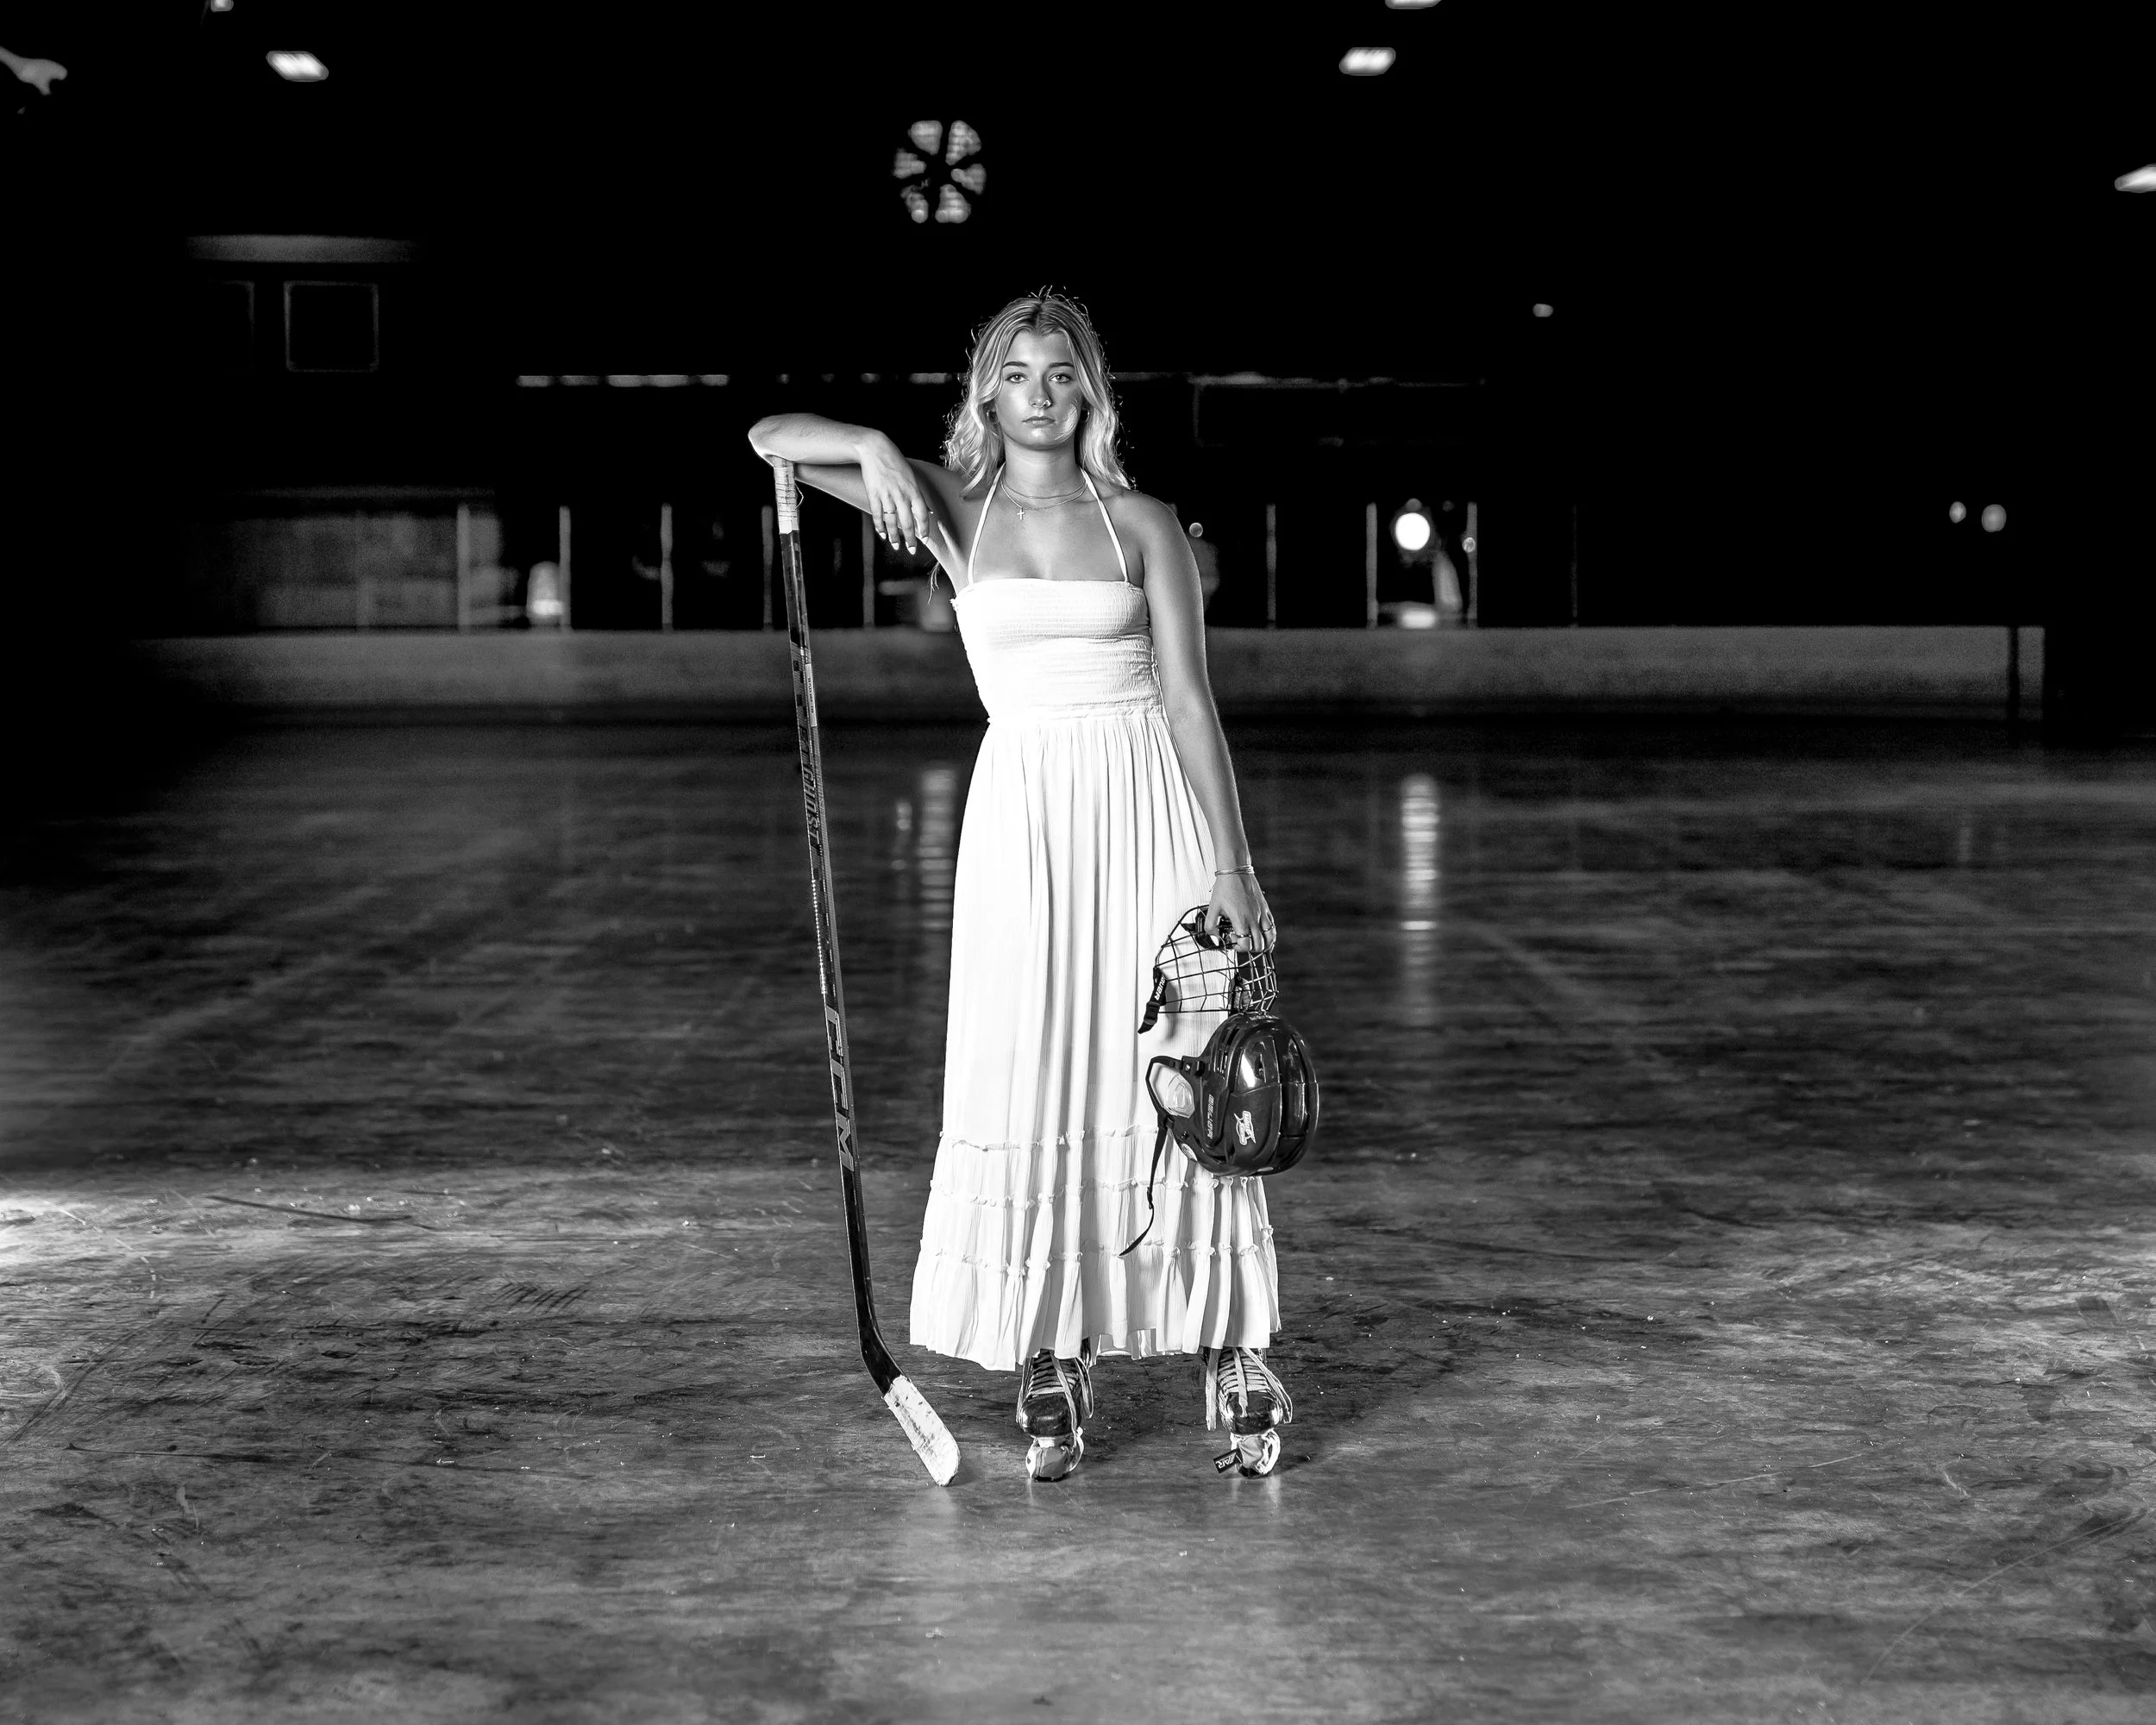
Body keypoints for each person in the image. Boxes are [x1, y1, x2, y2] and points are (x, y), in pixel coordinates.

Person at [747, 292, 1292, 1480]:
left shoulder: (1144, 523)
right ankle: (1055, 1345)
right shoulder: (948, 507)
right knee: (1032, 1064)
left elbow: (1191, 703)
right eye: (1019, 373)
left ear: (1090, 393)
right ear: (986, 391)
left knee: (1184, 1073)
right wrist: (877, 449)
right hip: (1024, 818)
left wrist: (1231, 863)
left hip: (1146, 804)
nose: (1042, 392)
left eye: (1063, 374)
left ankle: (1228, 1339)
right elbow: (769, 437)